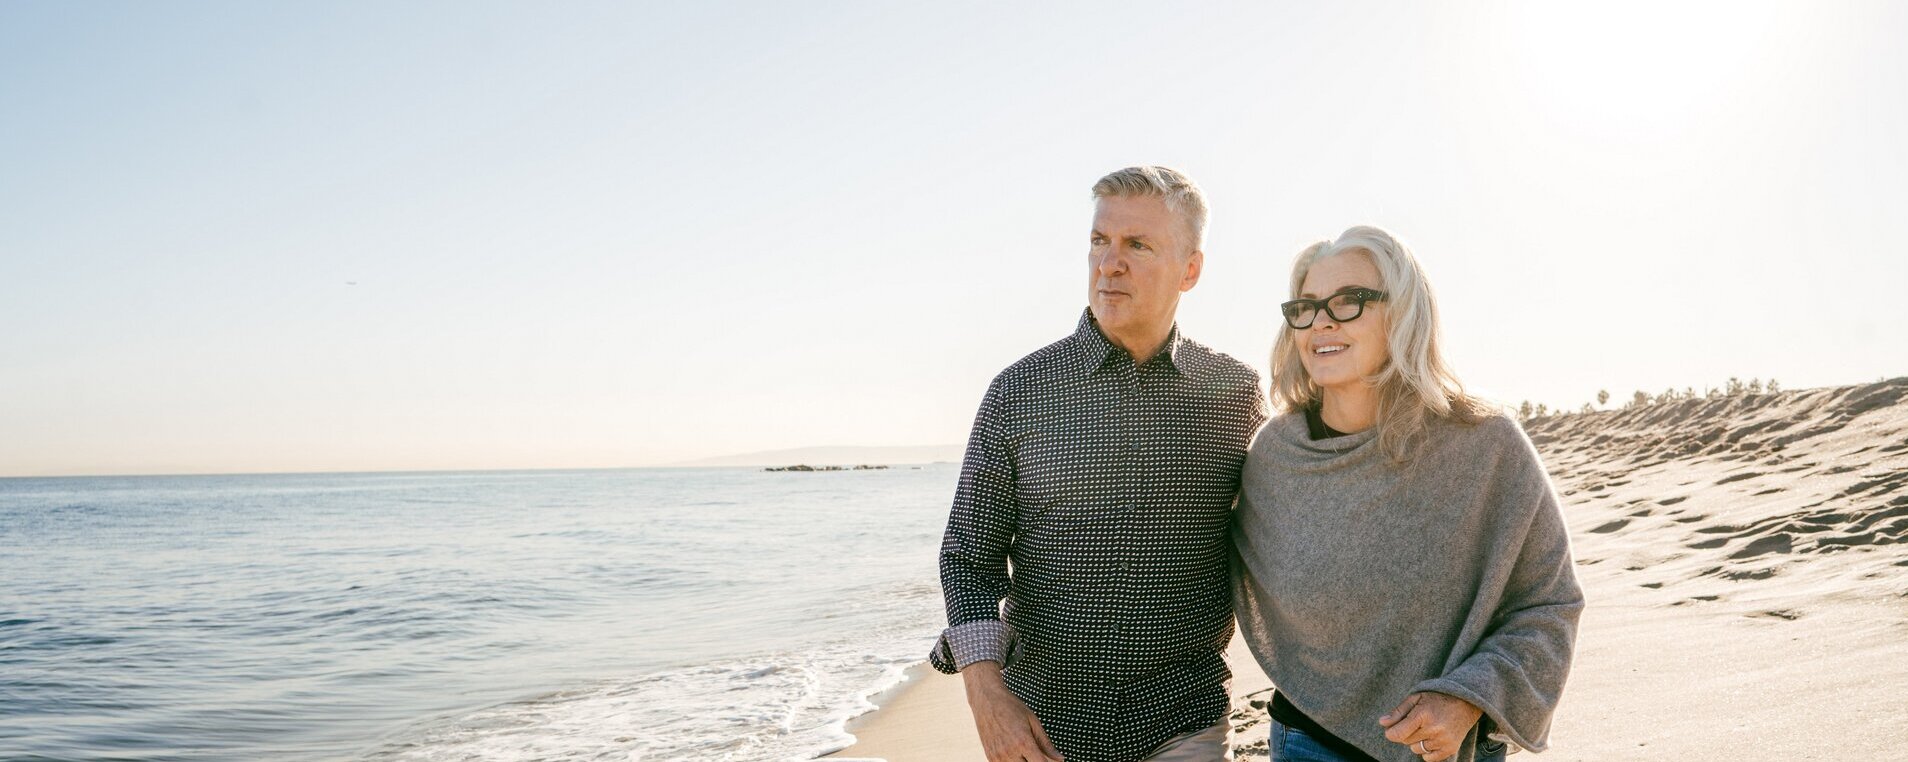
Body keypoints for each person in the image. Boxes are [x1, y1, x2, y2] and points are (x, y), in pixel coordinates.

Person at [929, 166, 1268, 762]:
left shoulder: (1233, 394)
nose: (1109, 263)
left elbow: (1280, 538)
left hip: (1184, 719)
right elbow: (968, 556)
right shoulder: (1019, 391)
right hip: (1042, 725)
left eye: (1137, 245)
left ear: (1190, 270)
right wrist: (987, 699)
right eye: (1099, 241)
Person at [1231, 226, 1584, 762]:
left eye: (1348, 302)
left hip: (1448, 747)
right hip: (1306, 743)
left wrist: (1469, 700)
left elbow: (1548, 603)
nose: (1320, 321)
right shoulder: (1274, 457)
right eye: (1304, 307)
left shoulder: (1483, 446)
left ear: (1402, 314)